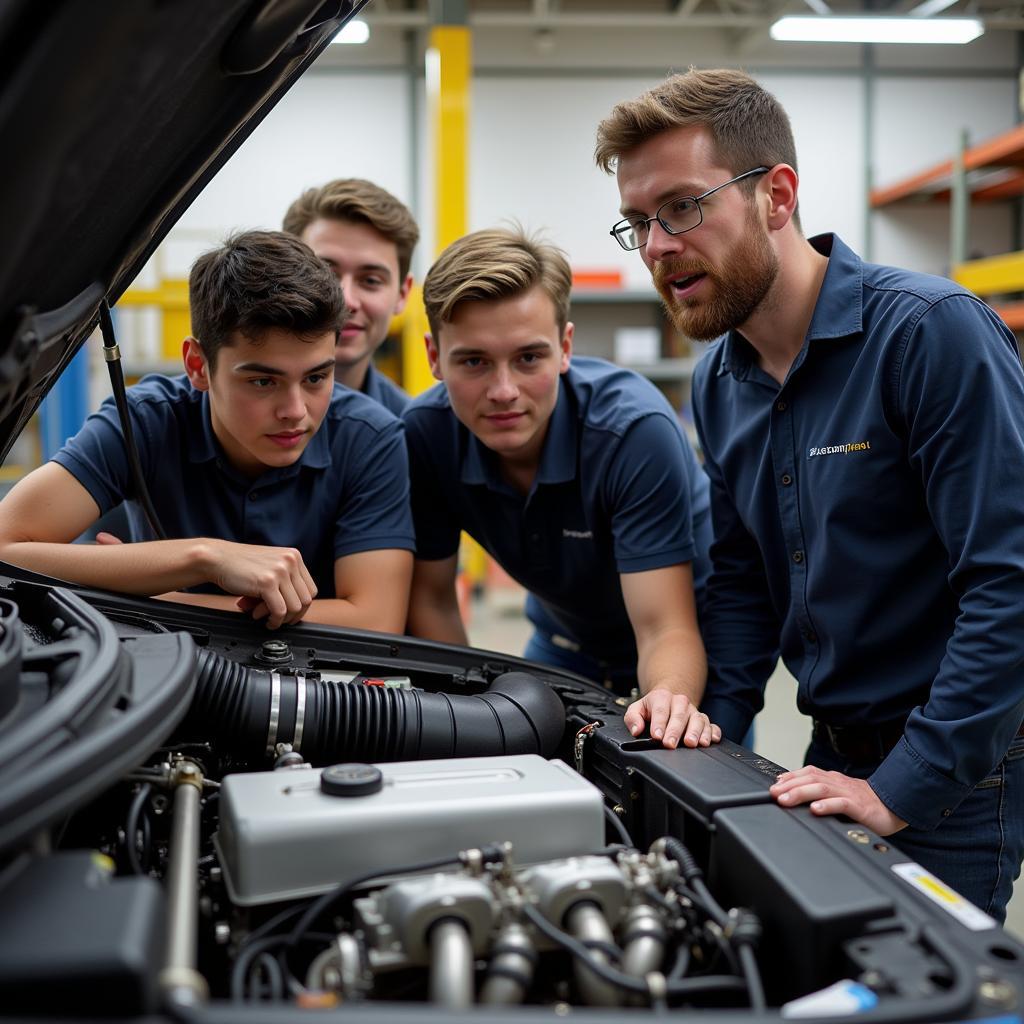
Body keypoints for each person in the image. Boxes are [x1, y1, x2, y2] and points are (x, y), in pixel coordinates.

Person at [597, 67, 1024, 921]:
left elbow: (1009, 583)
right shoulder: (720, 380)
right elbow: (744, 582)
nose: (656, 246)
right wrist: (700, 730)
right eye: (638, 222)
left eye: (682, 207)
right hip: (824, 748)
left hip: (955, 768)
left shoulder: (929, 336)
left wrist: (905, 787)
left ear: (777, 196)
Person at [0, 230, 415, 632]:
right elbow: (4, 546)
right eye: (263, 382)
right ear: (198, 365)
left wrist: (156, 596)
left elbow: (376, 621)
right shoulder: (145, 420)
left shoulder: (371, 438)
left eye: (316, 378)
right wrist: (203, 557)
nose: (295, 411)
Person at [403, 226, 719, 751]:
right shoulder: (425, 434)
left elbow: (665, 627)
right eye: (474, 361)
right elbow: (433, 602)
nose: (504, 392)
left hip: (688, 642)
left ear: (565, 347)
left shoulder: (632, 433)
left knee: (681, 777)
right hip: (562, 641)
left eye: (529, 358)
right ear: (435, 357)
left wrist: (667, 699)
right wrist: (460, 724)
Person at [283, 178, 418, 415]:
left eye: (371, 281)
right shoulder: (210, 408)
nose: (346, 301)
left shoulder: (413, 433)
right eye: (325, 274)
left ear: (402, 294)